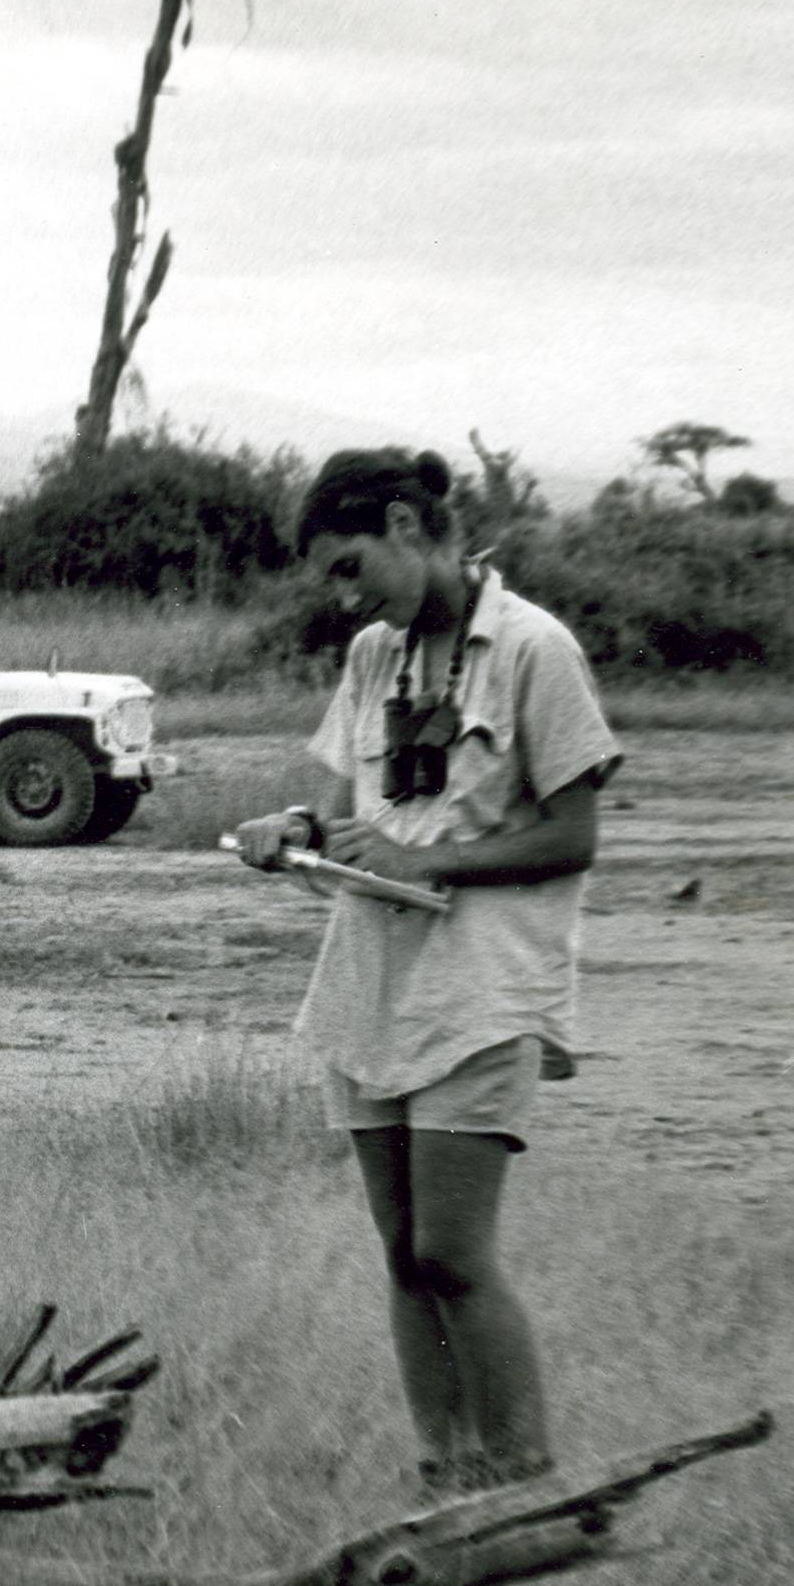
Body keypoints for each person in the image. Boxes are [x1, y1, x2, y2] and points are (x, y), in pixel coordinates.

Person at [236, 447, 621, 1500]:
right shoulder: (372, 656)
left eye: (352, 564)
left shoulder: (535, 649)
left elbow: (574, 834)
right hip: (371, 980)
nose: (345, 592)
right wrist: (296, 830)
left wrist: (427, 861)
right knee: (403, 1251)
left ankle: (523, 1483)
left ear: (408, 524)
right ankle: (445, 1475)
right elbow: (350, 811)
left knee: (454, 1248)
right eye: (330, 576)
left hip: (482, 988)